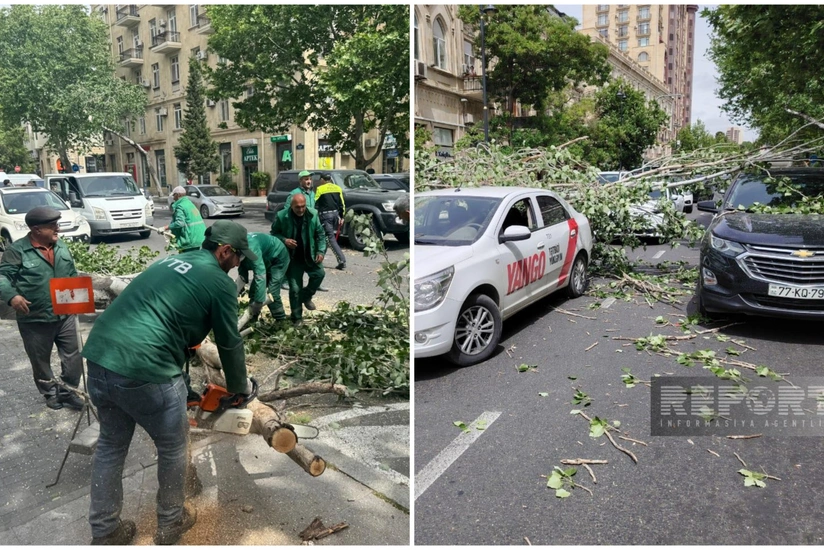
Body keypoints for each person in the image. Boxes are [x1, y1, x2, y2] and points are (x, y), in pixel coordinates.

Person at [81, 220, 257, 545]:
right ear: (224, 251)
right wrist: (239, 386)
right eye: (237, 258)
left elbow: (170, 321)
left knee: (110, 446)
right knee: (173, 446)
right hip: (145, 366)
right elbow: (230, 342)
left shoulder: (172, 260)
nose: (238, 264)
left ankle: (105, 531)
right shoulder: (218, 282)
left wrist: (184, 383)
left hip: (100, 355)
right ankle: (170, 523)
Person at [0, 206, 84, 411]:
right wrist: (12, 297)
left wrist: (81, 296)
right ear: (36, 230)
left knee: (74, 357)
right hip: (35, 318)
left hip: (65, 315)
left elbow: (71, 274)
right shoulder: (17, 250)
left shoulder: (61, 246)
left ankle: (69, 391)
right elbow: (2, 277)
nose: (58, 229)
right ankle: (50, 393)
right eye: (52, 226)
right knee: (40, 361)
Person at [270, 193, 326, 325]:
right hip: (293, 258)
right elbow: (273, 234)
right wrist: (284, 240)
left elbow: (320, 234)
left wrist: (320, 251)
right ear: (291, 206)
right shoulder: (282, 216)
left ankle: (306, 296)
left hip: (310, 255)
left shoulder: (313, 214)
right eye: (297, 207)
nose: (301, 210)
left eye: (303, 206)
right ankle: (296, 318)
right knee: (295, 289)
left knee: (319, 274)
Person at [236, 232, 290, 322]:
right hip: (265, 257)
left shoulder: (252, 250)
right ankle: (251, 320)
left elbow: (260, 275)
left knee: (272, 292)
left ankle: (280, 319)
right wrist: (236, 290)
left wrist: (258, 302)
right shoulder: (235, 246)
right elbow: (242, 272)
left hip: (278, 257)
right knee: (254, 291)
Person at [314, 172, 346, 270]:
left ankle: (342, 260)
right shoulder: (338, 188)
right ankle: (318, 259)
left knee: (329, 238)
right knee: (326, 238)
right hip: (336, 215)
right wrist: (342, 217)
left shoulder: (320, 189)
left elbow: (315, 203)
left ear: (322, 180)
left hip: (325, 216)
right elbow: (342, 204)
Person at [163, 186, 205, 253]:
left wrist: (166, 227)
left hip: (190, 239)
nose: (173, 198)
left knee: (186, 260)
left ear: (178, 195)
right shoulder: (189, 204)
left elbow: (179, 223)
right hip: (199, 237)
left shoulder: (180, 206)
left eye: (174, 195)